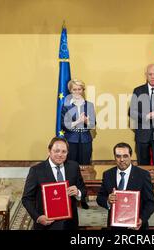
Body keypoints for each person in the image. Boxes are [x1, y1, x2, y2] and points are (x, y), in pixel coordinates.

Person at [22, 137, 87, 230]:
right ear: (49, 151)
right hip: (46, 224)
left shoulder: (73, 167)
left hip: (70, 223)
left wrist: (78, 192)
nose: (60, 154)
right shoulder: (36, 170)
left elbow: (83, 189)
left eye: (64, 151)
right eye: (56, 151)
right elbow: (26, 199)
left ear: (67, 153)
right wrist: (38, 217)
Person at [96, 142, 154, 230]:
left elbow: (151, 202)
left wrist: (141, 219)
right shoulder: (108, 174)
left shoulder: (143, 175)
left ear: (130, 156)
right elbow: (100, 198)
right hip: (114, 226)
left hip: (136, 226)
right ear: (114, 157)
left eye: (125, 156)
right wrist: (108, 201)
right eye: (118, 156)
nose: (121, 160)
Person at [61, 79, 95, 209]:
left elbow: (93, 124)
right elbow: (65, 124)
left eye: (79, 89)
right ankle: (70, 199)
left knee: (85, 169)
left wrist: (86, 121)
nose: (77, 92)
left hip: (85, 140)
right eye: (74, 89)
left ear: (83, 90)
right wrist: (78, 121)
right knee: (71, 170)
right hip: (71, 139)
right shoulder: (66, 105)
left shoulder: (89, 105)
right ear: (70, 91)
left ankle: (83, 198)